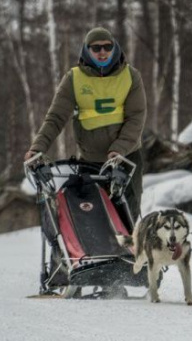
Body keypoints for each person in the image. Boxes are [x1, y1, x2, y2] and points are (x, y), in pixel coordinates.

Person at [24, 27, 146, 222]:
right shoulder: (74, 79)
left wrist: (119, 149)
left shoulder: (131, 76)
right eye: (96, 48)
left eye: (107, 47)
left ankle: (128, 252)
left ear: (114, 48)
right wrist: (37, 148)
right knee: (92, 221)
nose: (102, 52)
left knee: (127, 218)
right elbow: (55, 117)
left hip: (126, 160)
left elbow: (136, 117)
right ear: (86, 50)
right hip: (90, 162)